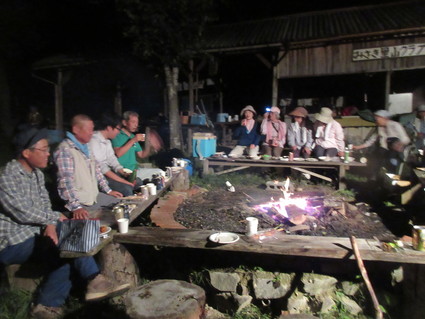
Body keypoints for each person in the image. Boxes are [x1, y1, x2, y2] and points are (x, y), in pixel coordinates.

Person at [0, 127, 129, 318]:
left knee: (69, 251)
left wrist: (51, 224)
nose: (48, 153)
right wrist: (54, 220)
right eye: (43, 150)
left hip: (35, 234)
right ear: (26, 153)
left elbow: (44, 206)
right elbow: (23, 213)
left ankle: (45, 307)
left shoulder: (36, 174)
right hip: (12, 242)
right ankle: (94, 279)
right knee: (71, 237)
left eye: (47, 149)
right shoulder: (7, 177)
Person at [54, 115, 122, 220]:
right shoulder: (65, 150)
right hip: (81, 201)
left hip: (93, 196)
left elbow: (97, 170)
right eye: (89, 129)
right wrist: (76, 207)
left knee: (120, 206)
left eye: (92, 129)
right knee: (106, 219)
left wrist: (108, 190)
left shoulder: (87, 147)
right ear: (76, 129)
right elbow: (65, 182)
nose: (91, 132)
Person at [89, 112, 137, 197]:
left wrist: (122, 171)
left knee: (138, 181)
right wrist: (124, 181)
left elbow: (112, 159)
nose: (118, 132)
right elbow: (101, 168)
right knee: (126, 188)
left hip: (107, 175)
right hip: (98, 179)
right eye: (118, 129)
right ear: (109, 128)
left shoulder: (107, 141)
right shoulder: (94, 141)